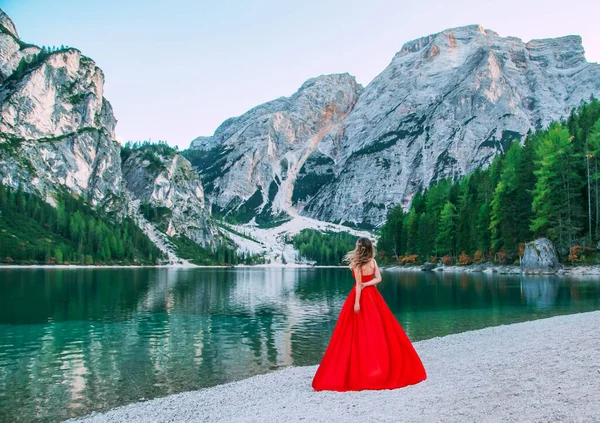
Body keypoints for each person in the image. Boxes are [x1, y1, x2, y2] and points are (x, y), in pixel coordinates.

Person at [312, 237, 427, 391]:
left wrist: (357, 303)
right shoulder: (373, 262)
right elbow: (378, 279)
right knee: (378, 328)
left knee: (353, 331)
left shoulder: (357, 264)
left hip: (360, 296)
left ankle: (359, 368)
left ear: (360, 248)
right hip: (373, 296)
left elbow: (358, 285)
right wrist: (368, 284)